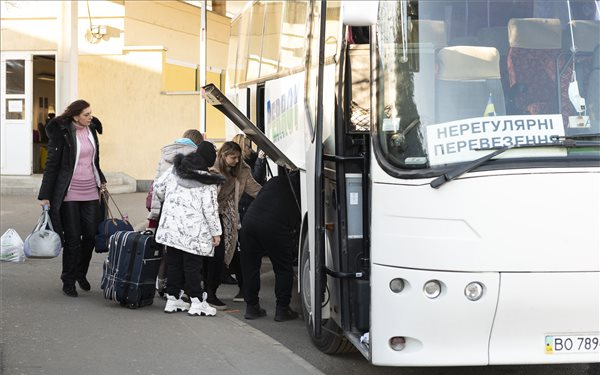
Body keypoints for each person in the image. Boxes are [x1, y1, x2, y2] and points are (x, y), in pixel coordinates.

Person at [38, 99, 106, 297]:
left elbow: (95, 160)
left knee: (91, 236)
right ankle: (68, 279)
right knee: (73, 238)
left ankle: (80, 273)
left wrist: (100, 179)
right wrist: (45, 195)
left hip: (91, 190)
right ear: (76, 116)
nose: (90, 117)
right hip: (69, 192)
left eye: (91, 113)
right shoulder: (63, 133)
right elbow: (52, 164)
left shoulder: (91, 130)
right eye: (86, 114)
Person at [153, 143, 224, 316]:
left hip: (172, 228)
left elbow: (158, 188)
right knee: (193, 266)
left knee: (174, 263)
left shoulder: (175, 170)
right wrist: (216, 233)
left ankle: (173, 298)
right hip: (194, 231)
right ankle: (197, 301)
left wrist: (170, 200)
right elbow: (210, 210)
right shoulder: (207, 181)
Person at [146, 129, 204, 296]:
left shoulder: (167, 152)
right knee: (183, 252)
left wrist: (155, 213)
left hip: (165, 208)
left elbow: (157, 184)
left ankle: (162, 285)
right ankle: (181, 290)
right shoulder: (194, 156)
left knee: (168, 251)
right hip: (183, 210)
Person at [205, 141, 262, 310]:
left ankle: (211, 292)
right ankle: (207, 293)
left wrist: (270, 196)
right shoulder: (212, 171)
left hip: (226, 217)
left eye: (238, 158)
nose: (236, 161)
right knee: (214, 255)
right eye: (233, 158)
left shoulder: (242, 172)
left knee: (223, 254)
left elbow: (256, 190)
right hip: (209, 217)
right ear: (223, 156)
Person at [240, 172, 301, 322]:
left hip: (249, 222)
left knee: (251, 267)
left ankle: (252, 307)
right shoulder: (301, 188)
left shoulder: (275, 181)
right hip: (275, 226)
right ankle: (282, 309)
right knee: (283, 268)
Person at [228, 134, 267, 301]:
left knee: (240, 252)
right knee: (245, 253)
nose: (249, 147)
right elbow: (257, 181)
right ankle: (247, 292)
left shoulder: (236, 167)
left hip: (238, 210)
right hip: (244, 210)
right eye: (247, 145)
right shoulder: (247, 164)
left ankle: (243, 289)